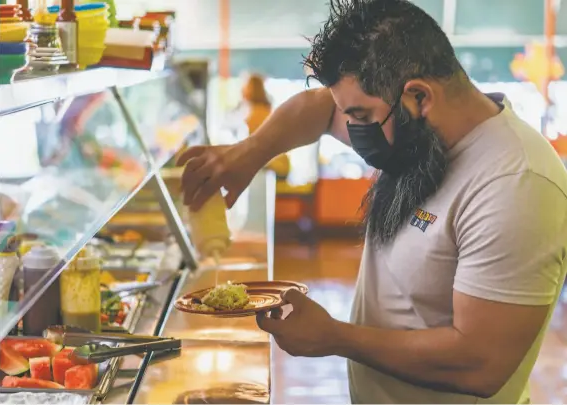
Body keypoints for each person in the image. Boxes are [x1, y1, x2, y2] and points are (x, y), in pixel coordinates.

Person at [177, 0, 567, 403]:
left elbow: (479, 363)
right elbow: (322, 108)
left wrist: (336, 337)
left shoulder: (516, 184)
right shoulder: (418, 135)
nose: (352, 130)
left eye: (361, 117)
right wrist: (250, 153)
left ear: (419, 96)